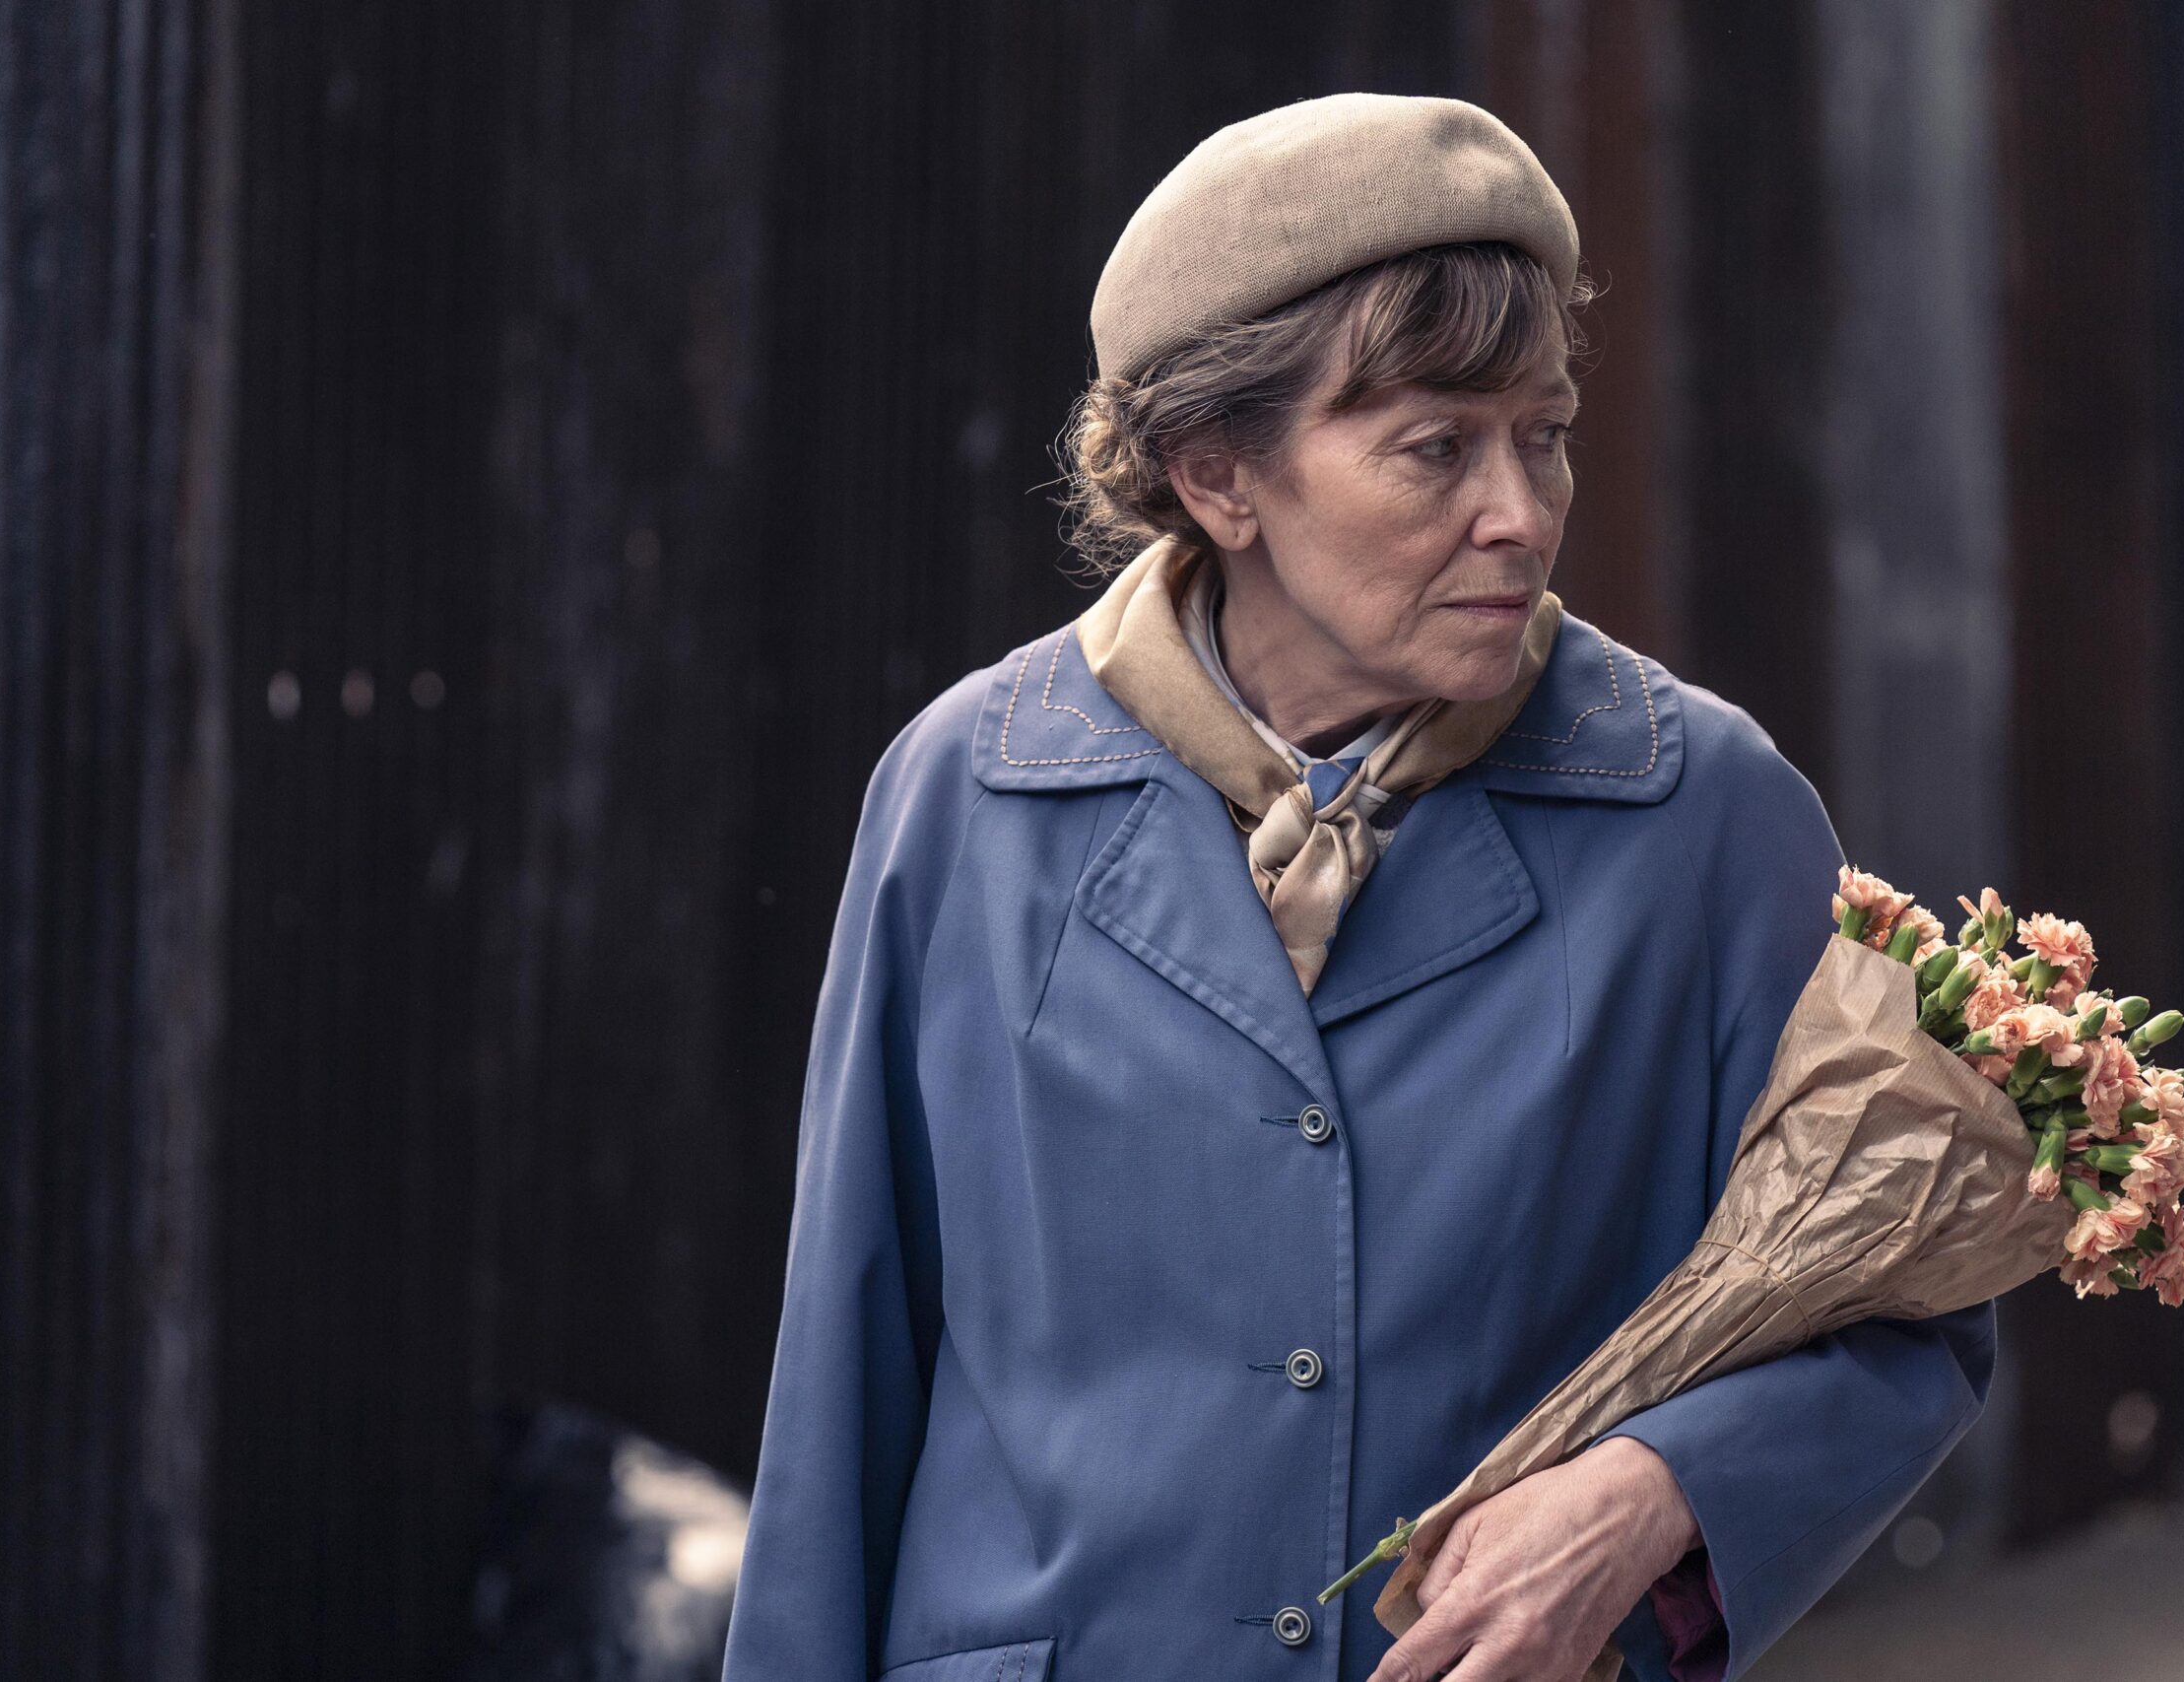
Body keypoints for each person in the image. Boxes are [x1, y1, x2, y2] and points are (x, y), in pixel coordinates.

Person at [722, 93, 1995, 1682]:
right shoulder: (966, 796)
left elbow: (1903, 1301)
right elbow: (845, 1370)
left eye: (1544, 435)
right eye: (1436, 449)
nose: (1519, 513)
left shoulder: (1701, 812)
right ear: (1218, 479)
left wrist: (1652, 1491)